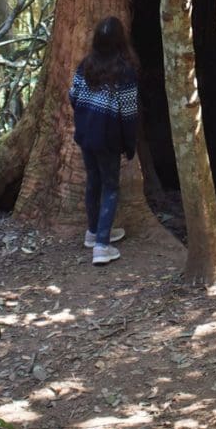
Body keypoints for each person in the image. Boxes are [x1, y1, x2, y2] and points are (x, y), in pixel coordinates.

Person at [69, 16, 139, 265]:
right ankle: (101, 245)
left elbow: (73, 95)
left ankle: (93, 232)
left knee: (93, 182)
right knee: (110, 187)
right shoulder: (125, 72)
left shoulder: (85, 66)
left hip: (86, 135)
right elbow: (129, 113)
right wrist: (130, 144)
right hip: (108, 139)